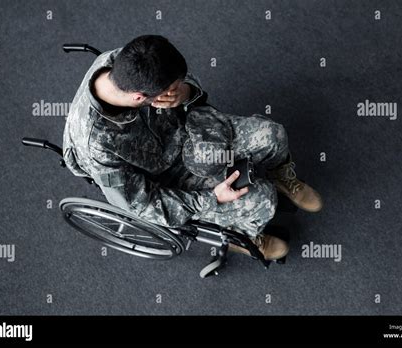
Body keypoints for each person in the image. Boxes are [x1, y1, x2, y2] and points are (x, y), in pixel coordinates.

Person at [62, 35, 323, 261]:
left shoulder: (128, 61)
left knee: (272, 136)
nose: (176, 88)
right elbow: (143, 205)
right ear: (140, 99)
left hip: (185, 133)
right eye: (170, 89)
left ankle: (282, 176)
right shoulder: (96, 145)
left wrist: (186, 92)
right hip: (163, 176)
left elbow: (186, 84)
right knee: (263, 198)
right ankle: (243, 239)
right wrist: (212, 199)